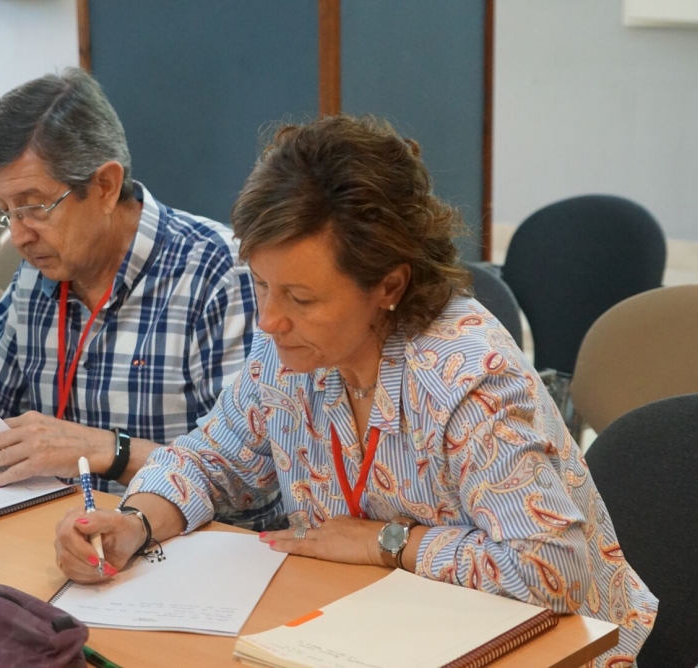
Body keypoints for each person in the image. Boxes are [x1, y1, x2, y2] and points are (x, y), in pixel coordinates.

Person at [54, 115, 657, 664]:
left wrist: (389, 543)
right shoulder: (290, 352)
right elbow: (210, 460)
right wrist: (133, 522)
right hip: (374, 634)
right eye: (261, 285)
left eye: (301, 298)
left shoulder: (468, 379)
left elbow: (551, 570)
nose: (269, 319)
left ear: (388, 285)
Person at [0, 68, 265, 512]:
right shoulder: (36, 273)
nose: (18, 236)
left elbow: (246, 478)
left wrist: (106, 451)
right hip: (47, 528)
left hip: (172, 538)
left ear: (105, 186)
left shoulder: (218, 274)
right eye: (3, 211)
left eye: (34, 207)